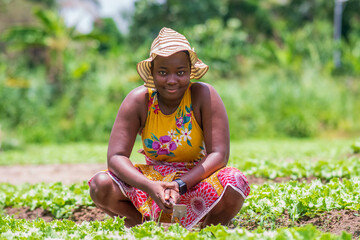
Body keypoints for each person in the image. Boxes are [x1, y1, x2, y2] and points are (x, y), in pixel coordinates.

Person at [88, 27, 250, 230]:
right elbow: (116, 157)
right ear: (153, 73)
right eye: (163, 72)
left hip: (195, 181)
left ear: (190, 72)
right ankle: (147, 228)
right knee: (100, 184)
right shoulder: (140, 101)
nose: (172, 80)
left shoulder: (203, 96)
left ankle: (207, 230)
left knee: (233, 181)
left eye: (180, 72)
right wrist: (150, 186)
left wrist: (180, 185)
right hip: (151, 185)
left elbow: (219, 155)